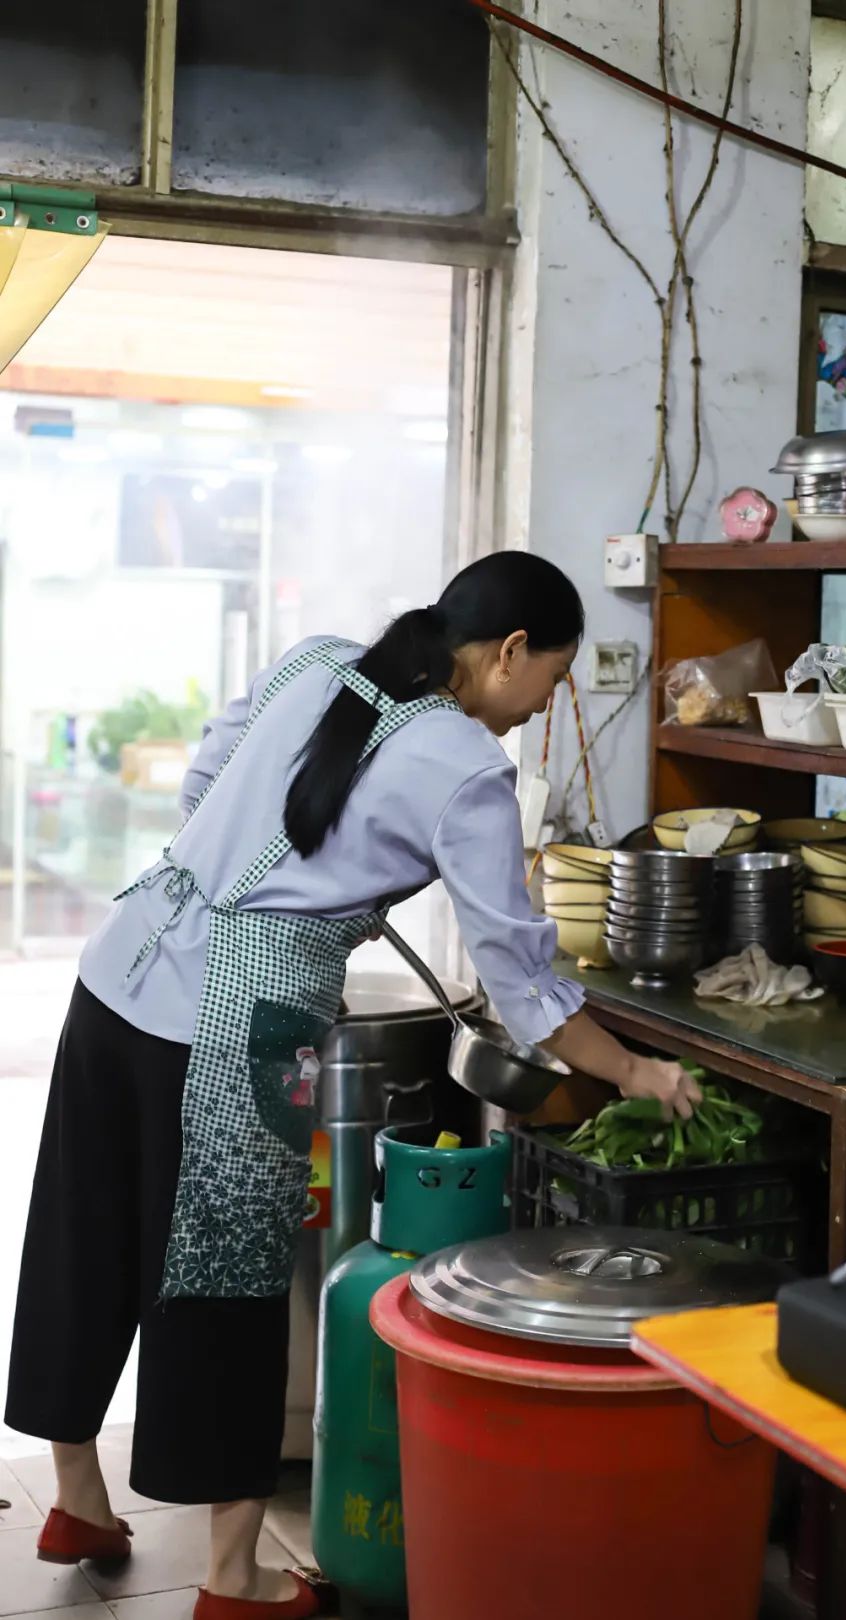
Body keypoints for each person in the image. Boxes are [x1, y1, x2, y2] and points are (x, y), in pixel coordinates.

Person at [5, 552, 701, 1620]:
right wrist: (637, 1071)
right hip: (240, 1023)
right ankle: (233, 1579)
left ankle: (79, 1498)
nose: (537, 712)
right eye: (550, 685)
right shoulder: (466, 766)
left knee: (83, 1232)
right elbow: (521, 978)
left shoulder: (314, 662)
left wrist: (287, 878)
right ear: (511, 652)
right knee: (223, 1282)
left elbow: (209, 778)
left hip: (122, 968)